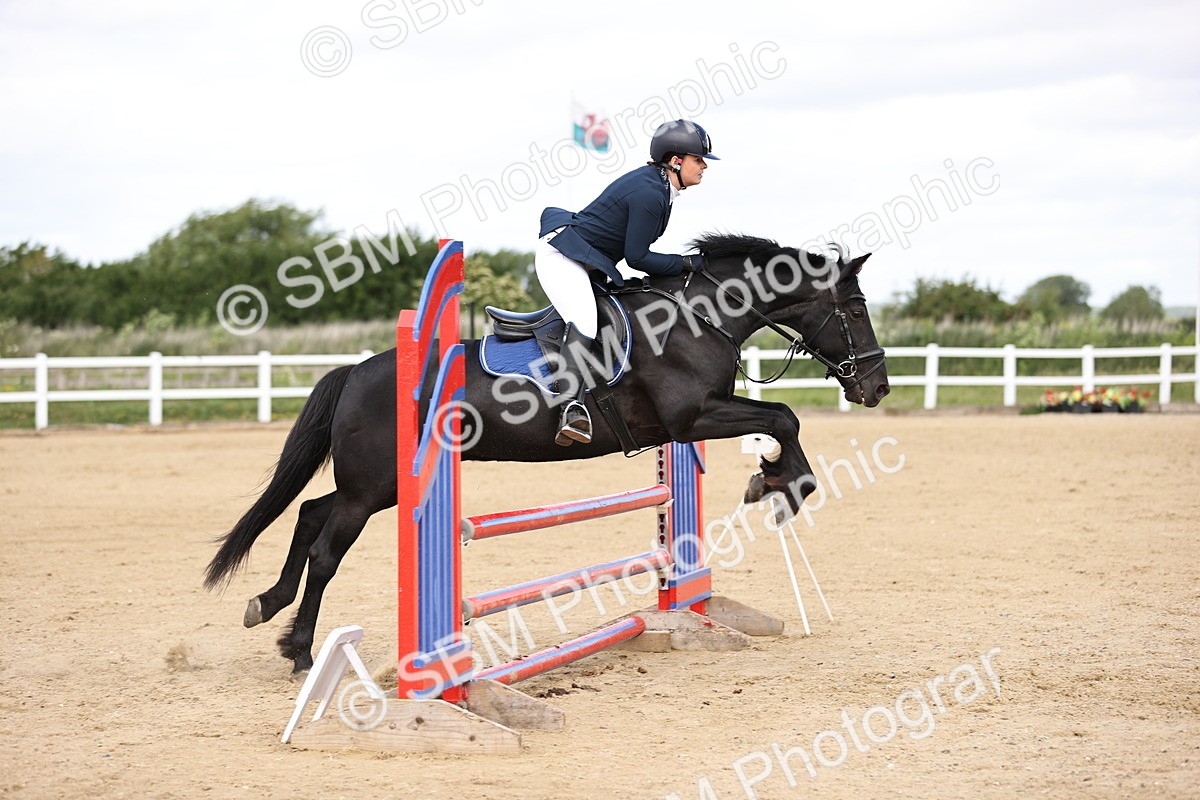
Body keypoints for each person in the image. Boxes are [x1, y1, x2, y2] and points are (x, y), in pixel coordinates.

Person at [535, 118, 719, 446]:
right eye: (698, 158)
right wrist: (686, 263)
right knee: (586, 322)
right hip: (562, 258)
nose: (704, 165)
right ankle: (569, 409)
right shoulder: (651, 192)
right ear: (676, 160)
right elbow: (637, 257)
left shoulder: (660, 187)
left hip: (584, 260)